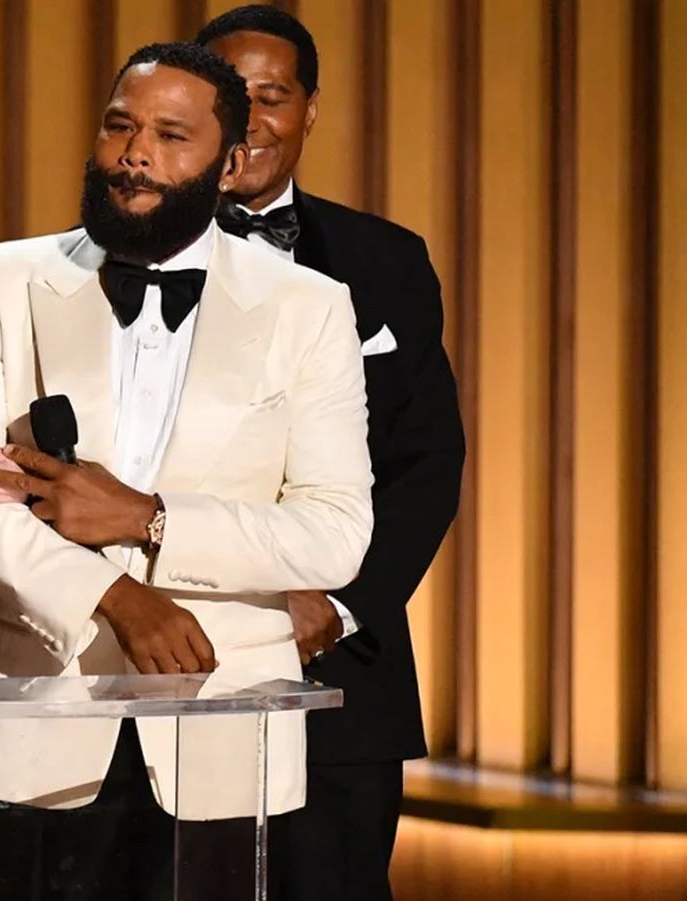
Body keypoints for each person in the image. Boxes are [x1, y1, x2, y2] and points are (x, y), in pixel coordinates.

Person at [0, 41, 374, 900]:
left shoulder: (310, 307)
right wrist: (114, 597)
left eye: (171, 135)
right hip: (38, 713)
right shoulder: (0, 280)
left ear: (228, 161)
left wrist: (149, 519)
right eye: (119, 126)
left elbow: (335, 530)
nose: (135, 152)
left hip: (225, 730)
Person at [198, 7, 466, 900]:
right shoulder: (103, 260)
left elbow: (426, 462)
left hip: (342, 682)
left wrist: (340, 604)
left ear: (310, 111)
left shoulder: (386, 260)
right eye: (228, 97)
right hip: (166, 670)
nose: (249, 121)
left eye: (271, 97)